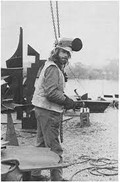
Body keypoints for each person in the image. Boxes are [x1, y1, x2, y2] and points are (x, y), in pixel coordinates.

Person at [32, 37, 83, 181]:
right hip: (48, 111)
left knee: (41, 144)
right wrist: (69, 102)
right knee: (55, 148)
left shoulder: (51, 66)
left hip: (42, 109)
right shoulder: (53, 68)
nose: (66, 56)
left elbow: (52, 91)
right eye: (63, 52)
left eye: (68, 54)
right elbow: (51, 93)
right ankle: (57, 179)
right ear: (56, 51)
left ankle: (35, 175)